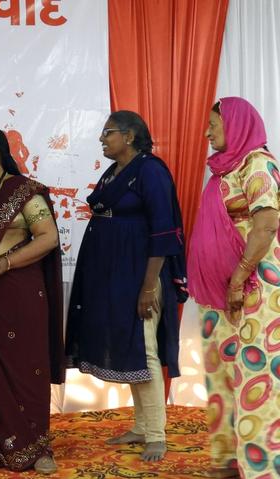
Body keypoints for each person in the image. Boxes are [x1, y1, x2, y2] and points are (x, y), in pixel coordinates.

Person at [65, 111, 186, 463]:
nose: (103, 139)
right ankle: (141, 426)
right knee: (130, 347)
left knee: (144, 348)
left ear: (130, 136)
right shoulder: (116, 171)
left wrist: (149, 287)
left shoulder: (151, 171)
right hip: (113, 274)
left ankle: (157, 435)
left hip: (140, 273)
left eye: (108, 133)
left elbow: (164, 233)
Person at [0, 126, 64, 474]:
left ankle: (37, 450)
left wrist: (4, 262)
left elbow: (48, 238)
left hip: (19, 293)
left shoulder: (24, 192)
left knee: (24, 370)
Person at [188, 97, 279, 479]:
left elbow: (267, 223)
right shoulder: (224, 170)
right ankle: (228, 458)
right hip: (220, 292)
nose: (208, 133)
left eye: (214, 125)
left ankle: (260, 467)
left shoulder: (258, 164)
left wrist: (239, 277)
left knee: (255, 377)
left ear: (237, 125)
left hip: (255, 289)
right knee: (222, 371)